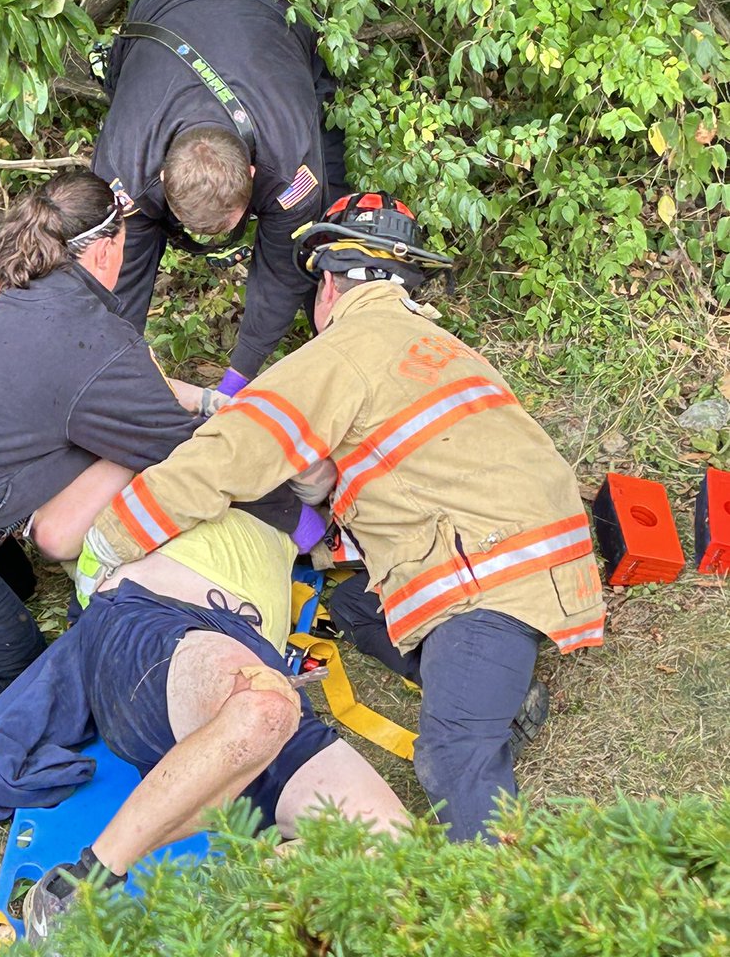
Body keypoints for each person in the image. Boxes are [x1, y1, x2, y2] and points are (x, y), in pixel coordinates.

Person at [81, 191, 607, 843]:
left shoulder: (342, 352)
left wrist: (113, 537)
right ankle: (494, 691)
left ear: (327, 285)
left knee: (452, 758)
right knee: (357, 604)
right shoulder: (434, 345)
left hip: (487, 573)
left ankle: (500, 892)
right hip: (536, 551)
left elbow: (224, 458)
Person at [0, 171, 299, 752]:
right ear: (105, 249)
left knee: (15, 579)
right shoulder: (95, 342)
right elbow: (190, 454)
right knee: (13, 675)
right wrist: (294, 511)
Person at [20, 507, 408, 946]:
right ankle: (78, 884)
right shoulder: (172, 470)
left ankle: (203, 931)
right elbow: (54, 532)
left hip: (249, 663)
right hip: (158, 613)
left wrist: (305, 512)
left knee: (394, 856)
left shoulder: (302, 501)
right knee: (265, 710)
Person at [91, 0, 349, 396]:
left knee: (323, 219)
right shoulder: (124, 166)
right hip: (165, 1)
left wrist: (237, 377)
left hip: (272, 1)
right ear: (161, 175)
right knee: (124, 244)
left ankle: (334, 338)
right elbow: (120, 274)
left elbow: (280, 271)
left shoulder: (289, 165)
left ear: (253, 173)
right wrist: (119, 372)